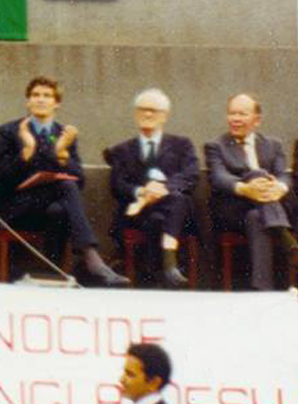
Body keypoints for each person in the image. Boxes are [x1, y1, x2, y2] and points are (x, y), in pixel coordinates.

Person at [0, 76, 128, 286]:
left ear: (57, 103)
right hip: (17, 208)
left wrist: (62, 152)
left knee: (60, 208)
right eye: (35, 95)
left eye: (47, 96)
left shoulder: (63, 134)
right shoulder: (9, 131)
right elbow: (0, 180)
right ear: (28, 101)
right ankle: (92, 260)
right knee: (64, 187)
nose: (41, 100)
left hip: (50, 209)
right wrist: (27, 152)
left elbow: (79, 180)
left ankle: (53, 275)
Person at [104, 89, 199, 288]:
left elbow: (191, 175)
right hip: (138, 214)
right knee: (157, 217)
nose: (147, 114)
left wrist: (163, 189)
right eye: (142, 110)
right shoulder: (122, 150)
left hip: (175, 212)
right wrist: (142, 192)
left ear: (164, 116)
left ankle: (155, 276)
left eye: (153, 110)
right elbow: (117, 185)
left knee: (176, 201)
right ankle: (168, 264)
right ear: (135, 113)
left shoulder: (182, 145)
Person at [205, 93, 298, 290]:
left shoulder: (273, 144)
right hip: (234, 210)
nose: (235, 119)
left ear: (256, 120)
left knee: (257, 216)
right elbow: (219, 177)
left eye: (242, 114)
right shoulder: (216, 146)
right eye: (231, 113)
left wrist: (278, 189)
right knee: (256, 174)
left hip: (266, 208)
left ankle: (261, 289)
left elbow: (284, 176)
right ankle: (282, 233)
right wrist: (247, 188)